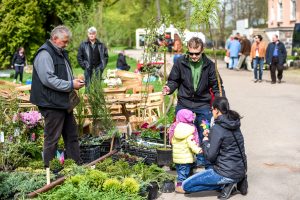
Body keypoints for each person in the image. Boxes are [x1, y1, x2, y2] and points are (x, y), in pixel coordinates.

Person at [163, 37, 225, 167]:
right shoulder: (180, 62)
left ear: (202, 51)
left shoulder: (209, 65)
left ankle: (203, 162)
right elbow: (174, 80)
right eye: (191, 53)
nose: (194, 56)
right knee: (183, 134)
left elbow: (217, 86)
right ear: (188, 51)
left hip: (202, 103)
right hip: (184, 103)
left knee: (204, 133)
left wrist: (221, 102)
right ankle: (185, 164)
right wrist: (169, 88)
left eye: (197, 53)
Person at [30, 25, 85, 167]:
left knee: (72, 136)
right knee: (52, 139)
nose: (67, 44)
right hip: (51, 103)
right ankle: (48, 171)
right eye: (64, 41)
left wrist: (73, 80)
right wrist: (70, 85)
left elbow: (61, 73)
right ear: (55, 39)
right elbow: (48, 80)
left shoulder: (59, 51)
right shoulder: (44, 54)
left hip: (63, 102)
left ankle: (76, 166)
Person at [178, 97, 247, 200]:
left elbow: (210, 156)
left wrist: (205, 140)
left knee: (185, 186)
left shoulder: (217, 128)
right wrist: (211, 135)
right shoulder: (234, 124)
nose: (212, 112)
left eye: (212, 109)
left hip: (224, 172)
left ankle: (226, 184)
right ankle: (229, 182)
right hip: (241, 170)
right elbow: (226, 140)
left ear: (217, 110)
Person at [168, 109, 202, 192]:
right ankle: (181, 187)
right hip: (186, 158)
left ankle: (180, 186)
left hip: (177, 157)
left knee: (180, 172)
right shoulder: (190, 130)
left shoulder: (175, 128)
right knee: (184, 174)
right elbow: (192, 143)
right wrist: (198, 150)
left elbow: (172, 141)